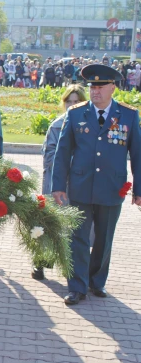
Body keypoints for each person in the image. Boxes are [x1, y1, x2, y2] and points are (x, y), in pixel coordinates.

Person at [52, 64, 141, 305]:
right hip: (80, 185)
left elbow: (138, 154)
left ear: (113, 87)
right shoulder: (77, 113)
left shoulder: (129, 115)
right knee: (78, 238)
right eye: (92, 87)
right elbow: (62, 152)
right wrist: (58, 185)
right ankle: (77, 286)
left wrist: (139, 190)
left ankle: (97, 281)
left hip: (111, 188)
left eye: (101, 87)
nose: (95, 91)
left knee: (104, 238)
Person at [33, 85, 87, 280]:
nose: (72, 105)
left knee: (74, 229)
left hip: (79, 186)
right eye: (69, 101)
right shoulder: (57, 125)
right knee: (49, 226)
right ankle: (40, 263)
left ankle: (71, 269)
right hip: (55, 186)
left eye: (77, 101)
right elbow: (49, 158)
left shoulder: (87, 127)